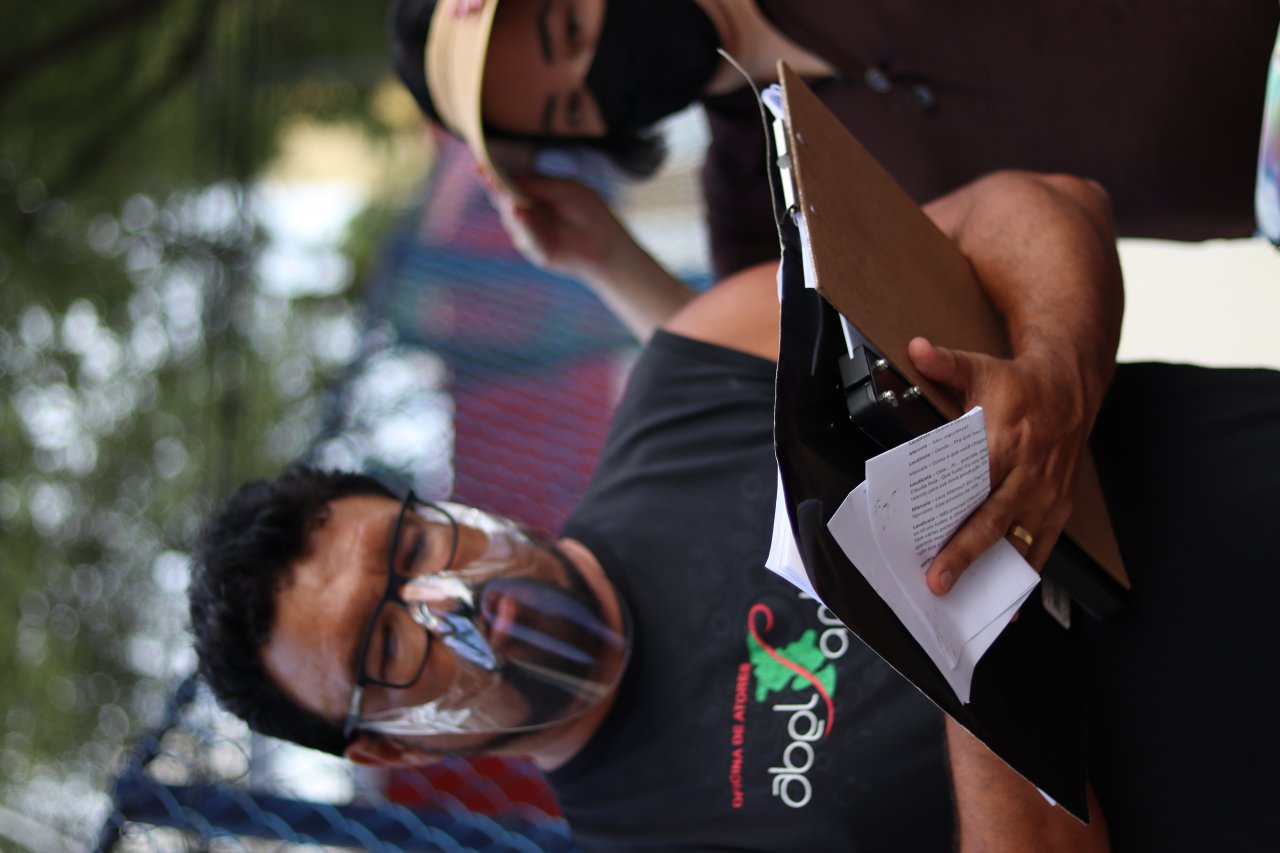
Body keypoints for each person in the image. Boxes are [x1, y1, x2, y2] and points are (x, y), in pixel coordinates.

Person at [189, 170, 1280, 850]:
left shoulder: (691, 370)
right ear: (387, 750)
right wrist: (966, 636)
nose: (450, 599)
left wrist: (1051, 374)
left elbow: (1035, 206)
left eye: (414, 546)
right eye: (389, 645)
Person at [388, 0, 1280, 279]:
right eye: (572, 110)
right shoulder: (765, 202)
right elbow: (749, 381)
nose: (600, 75)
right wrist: (608, 260)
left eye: (570, 30)